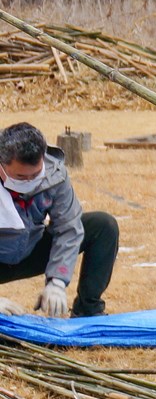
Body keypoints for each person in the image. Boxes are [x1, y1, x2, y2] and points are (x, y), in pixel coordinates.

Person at [0, 122, 118, 318]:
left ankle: (88, 310)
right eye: (21, 177)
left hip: (29, 246)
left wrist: (57, 281)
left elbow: (68, 228)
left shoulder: (54, 173)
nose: (30, 182)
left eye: (35, 175)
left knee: (102, 225)